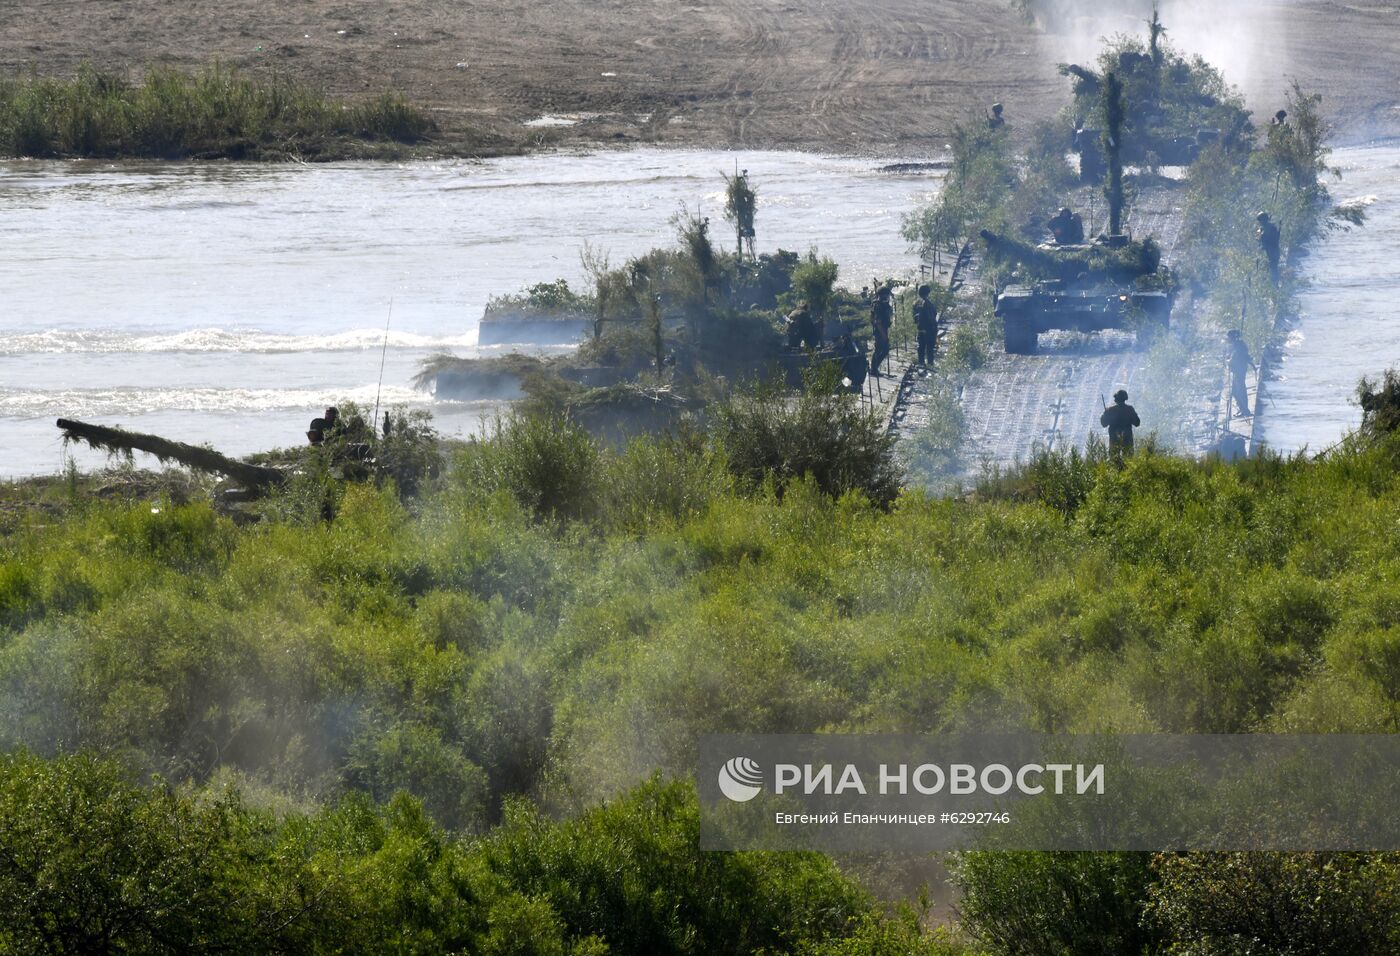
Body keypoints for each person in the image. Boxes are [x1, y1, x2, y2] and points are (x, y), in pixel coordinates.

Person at [1100, 389, 1140, 454]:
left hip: (1114, 438)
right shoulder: (1130, 409)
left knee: (1114, 460)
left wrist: (1104, 414)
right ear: (1125, 398)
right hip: (1127, 438)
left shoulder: (1110, 410)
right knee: (1128, 459)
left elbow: (1104, 424)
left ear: (1116, 399)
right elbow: (1137, 423)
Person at [1226, 329, 1254, 418]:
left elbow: (1236, 358)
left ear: (1233, 337)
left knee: (1239, 391)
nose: (1228, 339)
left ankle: (1244, 410)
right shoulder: (1238, 345)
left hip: (1239, 371)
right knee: (1236, 391)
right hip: (1238, 370)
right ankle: (1242, 409)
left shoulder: (1238, 346)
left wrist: (1228, 361)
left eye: (1229, 337)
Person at [869, 285, 893, 377]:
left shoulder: (883, 304)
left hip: (883, 330)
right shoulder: (877, 305)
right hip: (880, 331)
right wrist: (884, 335)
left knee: (884, 350)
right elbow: (877, 322)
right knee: (880, 350)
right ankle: (873, 370)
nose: (887, 297)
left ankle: (874, 369)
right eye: (886, 295)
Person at [913, 284, 939, 366]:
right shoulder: (925, 303)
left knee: (922, 346)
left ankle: (922, 363)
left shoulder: (916, 303)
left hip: (923, 328)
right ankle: (929, 363)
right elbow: (928, 316)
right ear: (927, 293)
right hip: (928, 328)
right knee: (929, 347)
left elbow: (916, 317)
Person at [1256, 212, 1281, 284]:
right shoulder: (1261, 229)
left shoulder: (1272, 228)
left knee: (1273, 269)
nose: (1261, 222)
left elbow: (1274, 240)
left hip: (1272, 252)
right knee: (1270, 269)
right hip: (1269, 252)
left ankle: (1274, 285)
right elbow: (1258, 239)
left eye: (1262, 220)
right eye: (1260, 221)